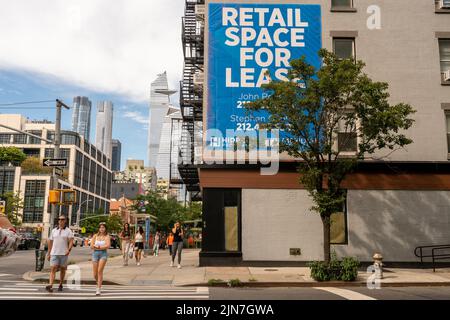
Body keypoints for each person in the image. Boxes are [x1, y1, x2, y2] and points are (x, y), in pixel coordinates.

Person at [45, 215, 74, 293]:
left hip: (64, 253)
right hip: (54, 253)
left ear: (65, 221)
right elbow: (50, 242)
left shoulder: (68, 231)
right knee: (53, 268)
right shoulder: (54, 230)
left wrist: (69, 249)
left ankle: (60, 284)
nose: (60, 221)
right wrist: (49, 253)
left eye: (62, 219)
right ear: (58, 221)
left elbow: (71, 241)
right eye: (59, 219)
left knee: (62, 269)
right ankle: (50, 285)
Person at [90, 222, 110, 296]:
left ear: (105, 229)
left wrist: (98, 247)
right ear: (99, 228)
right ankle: (98, 282)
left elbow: (107, 245)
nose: (102, 229)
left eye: (103, 227)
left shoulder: (107, 236)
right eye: (100, 227)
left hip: (103, 254)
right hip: (95, 254)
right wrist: (98, 247)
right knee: (95, 274)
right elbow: (91, 246)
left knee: (99, 271)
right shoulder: (95, 236)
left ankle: (98, 289)